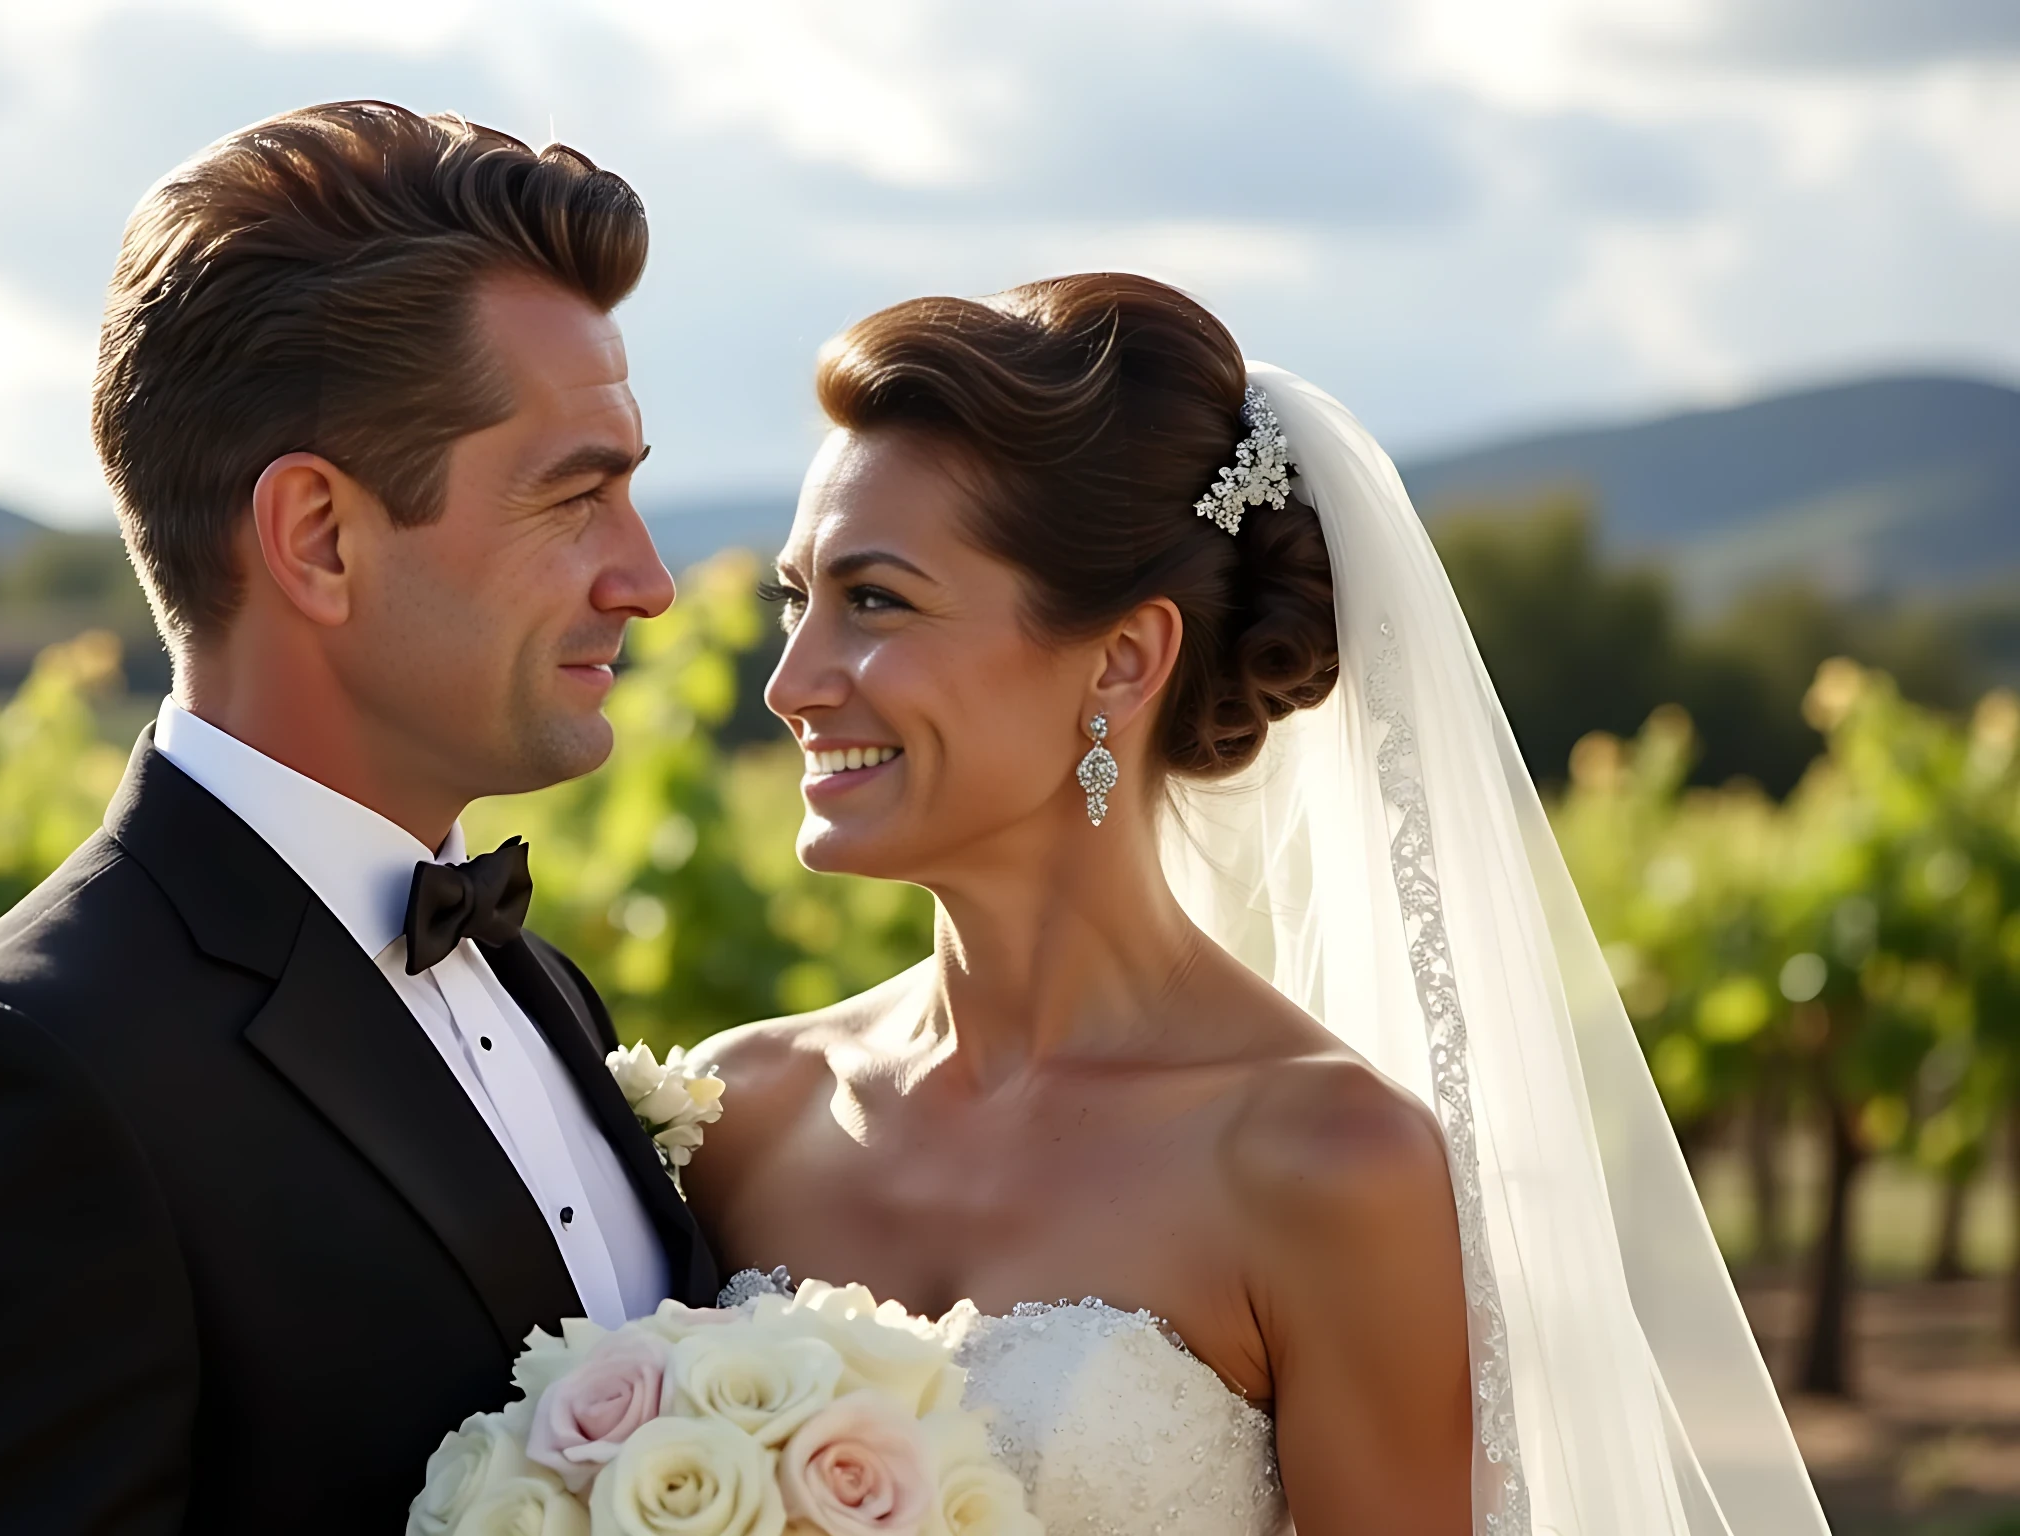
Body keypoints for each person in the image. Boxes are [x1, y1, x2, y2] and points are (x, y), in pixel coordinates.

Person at [686, 275, 1830, 1535]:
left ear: (1123, 660)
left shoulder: (1326, 1164)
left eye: (875, 600)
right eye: (799, 598)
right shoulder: (738, 1114)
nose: (791, 683)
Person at [0, 101, 717, 1531]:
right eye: (574, 499)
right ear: (320, 540)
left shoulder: (544, 990)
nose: (647, 580)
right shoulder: (21, 1087)